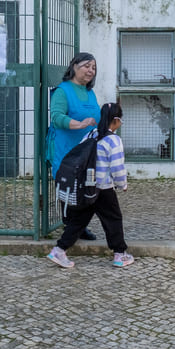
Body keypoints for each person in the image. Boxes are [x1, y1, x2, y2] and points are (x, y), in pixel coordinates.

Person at [48, 103, 133, 268]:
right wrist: (122, 184)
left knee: (79, 220)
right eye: (120, 120)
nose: (121, 123)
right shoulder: (113, 140)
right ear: (115, 120)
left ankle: (59, 249)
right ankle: (120, 253)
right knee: (113, 219)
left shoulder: (91, 134)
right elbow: (117, 167)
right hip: (103, 188)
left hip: (86, 186)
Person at [48, 52, 101, 240]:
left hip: (86, 150)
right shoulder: (63, 91)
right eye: (87, 66)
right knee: (68, 186)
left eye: (93, 67)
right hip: (67, 149)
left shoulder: (89, 92)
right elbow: (56, 117)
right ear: (74, 66)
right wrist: (78, 124)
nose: (91, 71)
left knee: (85, 186)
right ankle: (70, 226)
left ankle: (79, 226)